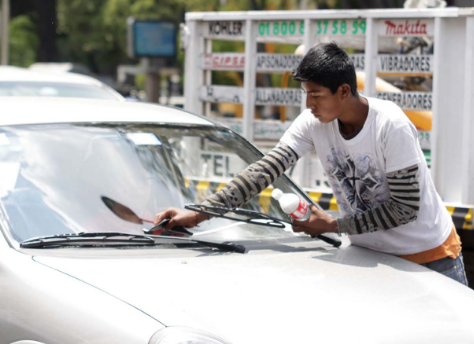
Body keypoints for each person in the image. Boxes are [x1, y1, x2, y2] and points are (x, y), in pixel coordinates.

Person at [154, 42, 468, 286]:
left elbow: (404, 209)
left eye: (316, 95)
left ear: (344, 91)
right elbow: (265, 170)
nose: (309, 104)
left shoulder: (390, 126)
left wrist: (333, 225)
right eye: (306, 94)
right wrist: (197, 214)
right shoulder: (313, 123)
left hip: (429, 259)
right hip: (370, 257)